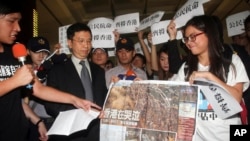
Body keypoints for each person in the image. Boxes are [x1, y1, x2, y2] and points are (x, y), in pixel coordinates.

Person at [0, 2, 101, 141]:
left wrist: (76, 100)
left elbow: (38, 89)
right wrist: (14, 81)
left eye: (19, 21)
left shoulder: (13, 56)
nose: (18, 27)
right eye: (12, 21)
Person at [172, 15, 249, 141]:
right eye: (186, 39)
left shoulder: (231, 62)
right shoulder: (186, 67)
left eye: (193, 36)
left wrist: (210, 77)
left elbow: (236, 100)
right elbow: (171, 94)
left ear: (209, 34)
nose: (189, 42)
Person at [44, 22, 107, 141]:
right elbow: (50, 105)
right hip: (70, 133)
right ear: (70, 43)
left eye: (89, 41)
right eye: (81, 41)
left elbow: (103, 98)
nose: (86, 46)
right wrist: (80, 114)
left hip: (96, 131)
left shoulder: (98, 70)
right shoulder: (57, 70)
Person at [23, 36, 55, 141]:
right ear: (28, 51)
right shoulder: (23, 71)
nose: (41, 56)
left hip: (54, 122)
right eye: (37, 51)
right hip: (34, 122)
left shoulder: (53, 70)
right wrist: (38, 78)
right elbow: (25, 96)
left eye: (44, 52)